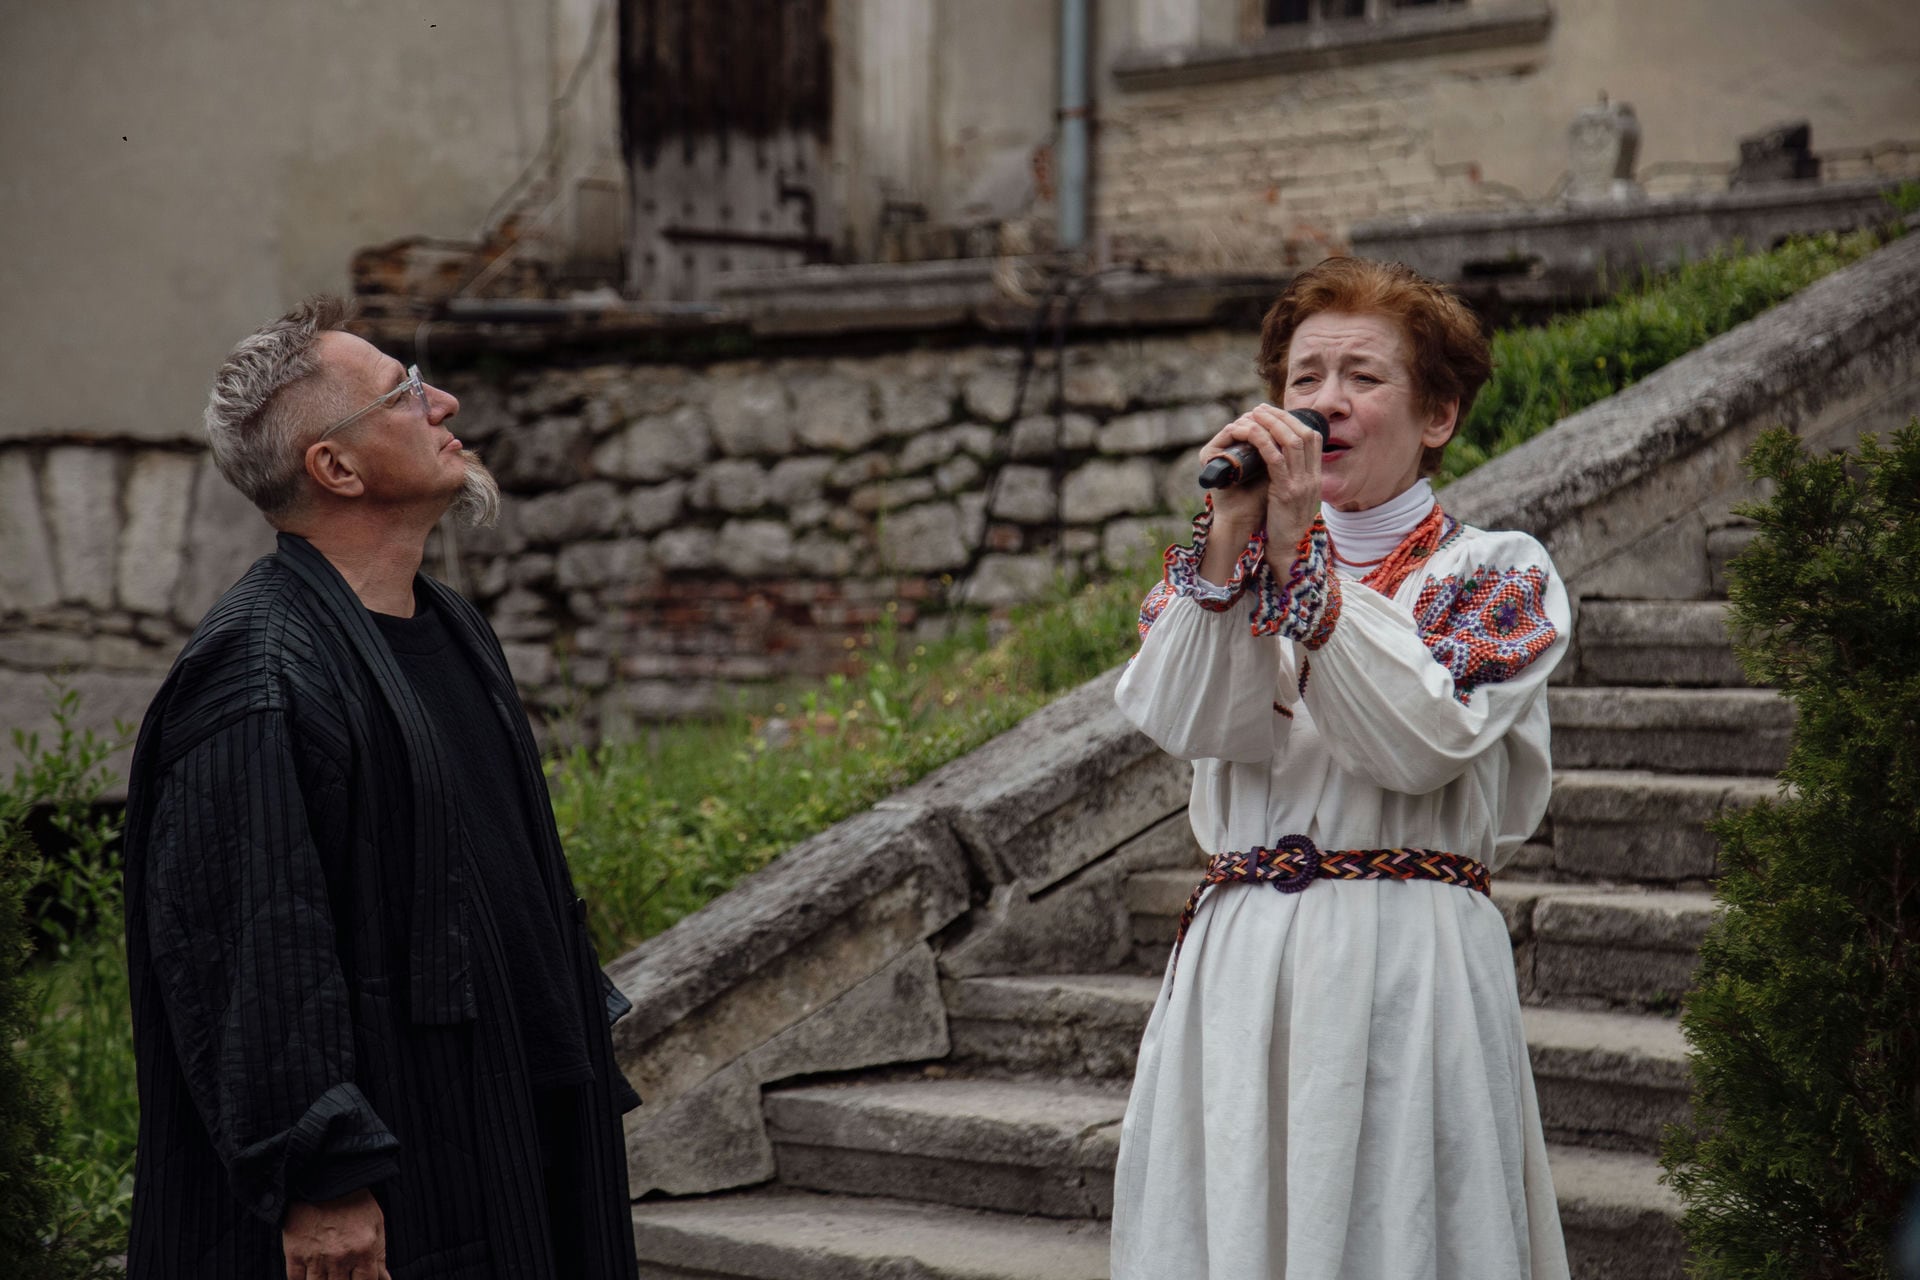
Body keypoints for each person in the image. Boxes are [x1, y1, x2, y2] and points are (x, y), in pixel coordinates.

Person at [122, 297, 642, 1280]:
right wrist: (320, 1175)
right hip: (394, 1183)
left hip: (511, 1132)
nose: (443, 402)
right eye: (404, 392)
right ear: (338, 468)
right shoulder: (257, 671)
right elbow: (251, 944)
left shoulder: (452, 627)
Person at [1111, 258, 1571, 1278]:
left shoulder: (1497, 572)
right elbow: (1181, 718)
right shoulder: (1222, 572)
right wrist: (1234, 543)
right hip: (1238, 958)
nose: (1326, 402)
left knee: (1400, 1230)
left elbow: (1422, 740)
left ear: (1438, 414)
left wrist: (1303, 566)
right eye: (1305, 378)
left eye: (1363, 376)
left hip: (1405, 952)